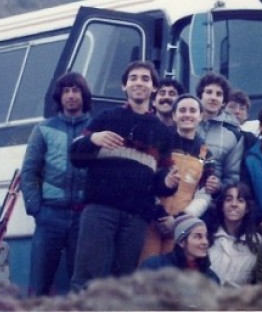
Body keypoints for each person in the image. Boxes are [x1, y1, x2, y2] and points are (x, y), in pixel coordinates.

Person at [69, 60, 180, 290]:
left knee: (123, 284)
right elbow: (75, 155)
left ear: (154, 88)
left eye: (145, 79)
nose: (139, 83)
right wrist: (93, 139)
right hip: (100, 210)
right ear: (124, 86)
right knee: (87, 280)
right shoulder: (106, 118)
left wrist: (168, 183)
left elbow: (159, 182)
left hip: (136, 217)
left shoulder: (162, 132)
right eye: (134, 78)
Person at [20, 72, 92, 296]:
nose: (71, 96)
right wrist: (37, 210)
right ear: (59, 96)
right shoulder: (43, 129)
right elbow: (29, 172)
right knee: (38, 285)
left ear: (84, 95)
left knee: (81, 287)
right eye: (66, 91)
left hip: (83, 217)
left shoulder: (95, 128)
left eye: (76, 90)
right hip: (50, 215)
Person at [139, 94, 220, 263]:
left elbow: (204, 193)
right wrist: (159, 215)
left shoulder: (205, 154)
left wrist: (179, 220)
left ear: (201, 116)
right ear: (174, 115)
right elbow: (145, 178)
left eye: (192, 111)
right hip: (151, 221)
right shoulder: (159, 143)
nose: (187, 115)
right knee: (145, 269)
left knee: (173, 275)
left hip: (182, 227)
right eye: (182, 110)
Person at [207, 182, 262, 287]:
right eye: (229, 199)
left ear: (247, 208)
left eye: (240, 200)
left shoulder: (257, 243)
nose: (234, 204)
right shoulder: (207, 237)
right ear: (221, 206)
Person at [139, 214, 220, 284]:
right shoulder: (154, 267)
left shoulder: (211, 278)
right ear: (182, 242)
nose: (205, 242)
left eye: (206, 236)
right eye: (198, 236)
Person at [196, 73, 245, 187]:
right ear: (199, 96)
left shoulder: (233, 134)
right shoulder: (185, 123)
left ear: (223, 101)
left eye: (219, 94)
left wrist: (219, 186)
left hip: (213, 200)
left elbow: (232, 177)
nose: (213, 98)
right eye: (209, 92)